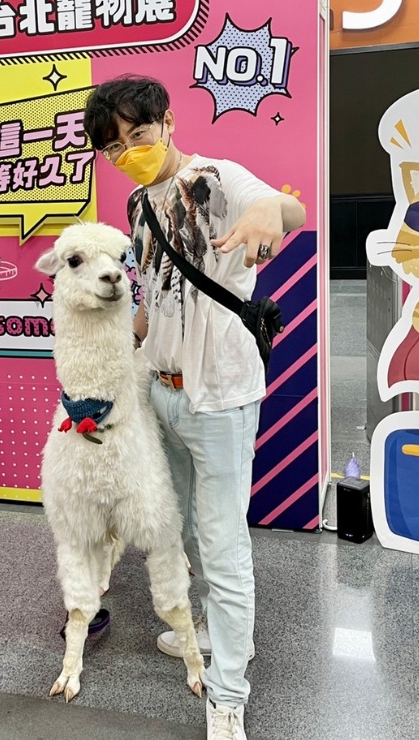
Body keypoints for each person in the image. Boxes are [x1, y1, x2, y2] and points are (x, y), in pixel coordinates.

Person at [82, 76, 306, 740]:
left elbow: (282, 209)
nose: (129, 151)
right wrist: (114, 339)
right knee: (179, 528)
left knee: (223, 541)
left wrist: (271, 213)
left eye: (139, 134)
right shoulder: (137, 203)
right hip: (162, 392)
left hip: (220, 398)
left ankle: (228, 693)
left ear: (168, 123)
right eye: (113, 146)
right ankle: (217, 629)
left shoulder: (215, 177)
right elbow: (156, 296)